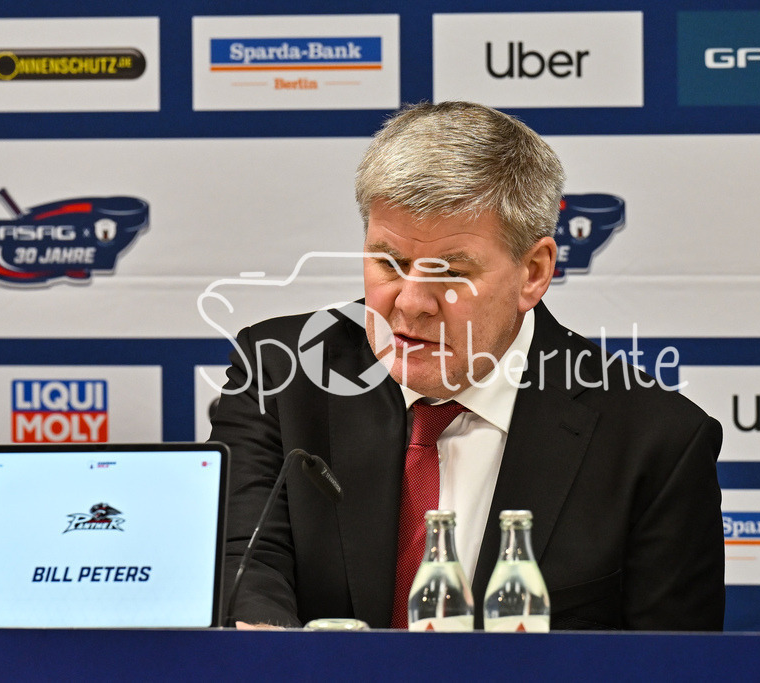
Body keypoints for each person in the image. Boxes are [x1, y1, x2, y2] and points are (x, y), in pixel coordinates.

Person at [210, 101, 724, 630]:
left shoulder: (656, 441)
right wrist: (267, 646)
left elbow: (672, 659)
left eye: (452, 273)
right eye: (390, 263)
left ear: (534, 272)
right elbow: (241, 560)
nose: (411, 303)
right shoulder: (279, 371)